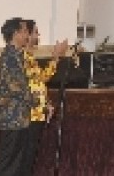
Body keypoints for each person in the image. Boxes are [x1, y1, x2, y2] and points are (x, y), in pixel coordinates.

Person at [21, 20, 68, 174]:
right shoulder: (22, 57)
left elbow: (37, 85)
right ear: (26, 35)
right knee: (25, 158)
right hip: (28, 116)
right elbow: (42, 78)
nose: (38, 35)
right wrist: (55, 57)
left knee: (30, 157)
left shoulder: (29, 57)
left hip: (35, 114)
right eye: (35, 32)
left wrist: (47, 103)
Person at [0, 17, 34, 176]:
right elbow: (16, 87)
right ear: (15, 33)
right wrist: (37, 102)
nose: (27, 34)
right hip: (13, 118)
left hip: (20, 117)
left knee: (17, 164)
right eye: (24, 31)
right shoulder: (10, 57)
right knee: (7, 164)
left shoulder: (17, 56)